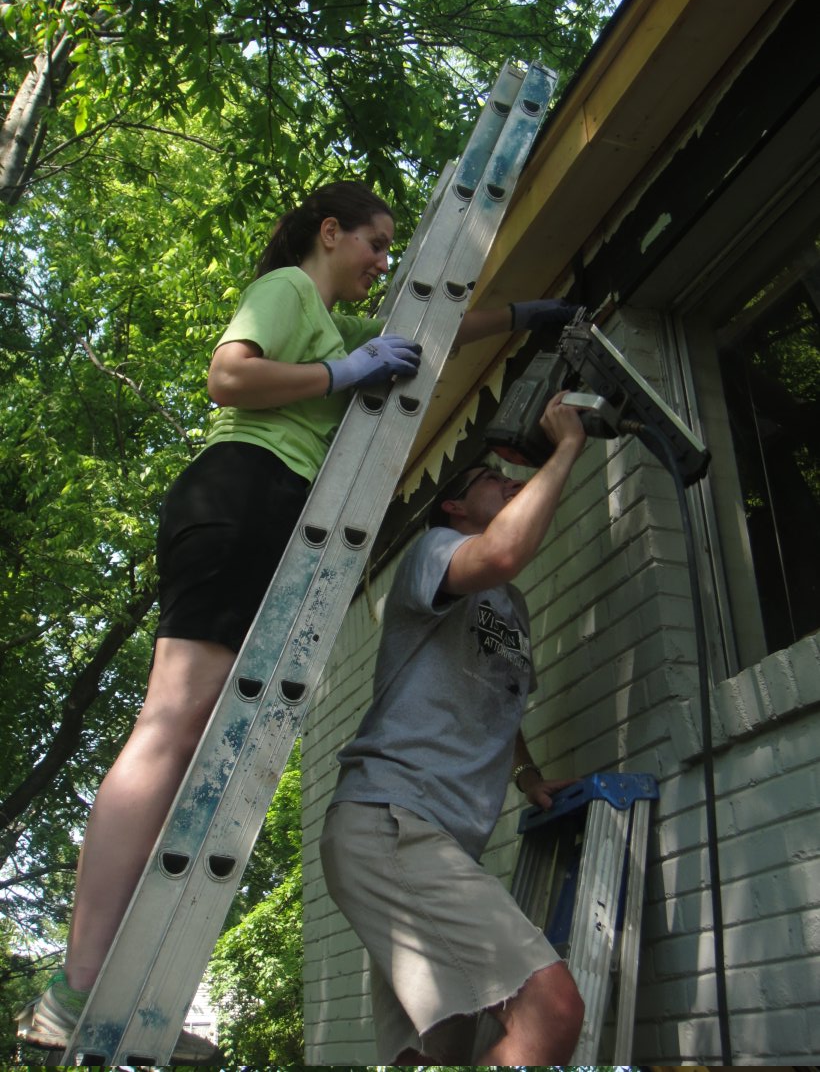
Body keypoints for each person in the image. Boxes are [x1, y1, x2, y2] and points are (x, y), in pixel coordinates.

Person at [17, 174, 572, 1060]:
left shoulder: (331, 322)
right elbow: (228, 376)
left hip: (271, 514)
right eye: (376, 244)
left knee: (192, 739)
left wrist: (527, 315)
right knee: (170, 725)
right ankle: (76, 987)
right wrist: (337, 376)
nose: (383, 263)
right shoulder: (286, 290)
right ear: (329, 231)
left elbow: (435, 331)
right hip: (242, 496)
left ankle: (119, 987)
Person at [320, 389, 588, 1065]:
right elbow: (499, 554)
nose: (508, 481)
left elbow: (501, 694)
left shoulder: (513, 606)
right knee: (550, 1010)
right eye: (490, 478)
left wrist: (526, 776)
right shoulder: (433, 553)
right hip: (392, 821)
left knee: (433, 1055)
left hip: (433, 841)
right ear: (453, 507)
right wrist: (568, 448)